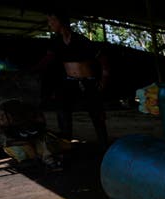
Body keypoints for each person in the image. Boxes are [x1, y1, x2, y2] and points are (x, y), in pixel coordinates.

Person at [34, 8, 109, 149]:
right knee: (62, 105)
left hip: (88, 81)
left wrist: (104, 79)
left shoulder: (81, 40)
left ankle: (104, 144)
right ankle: (65, 140)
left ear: (59, 21)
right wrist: (32, 70)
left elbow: (102, 59)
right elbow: (48, 59)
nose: (49, 25)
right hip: (70, 82)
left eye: (51, 21)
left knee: (96, 112)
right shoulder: (56, 42)